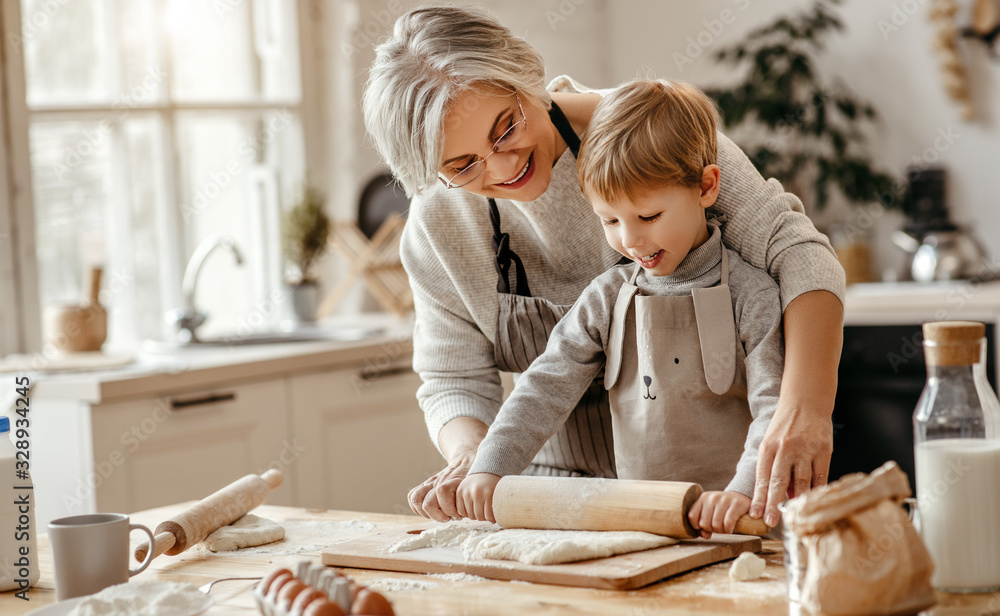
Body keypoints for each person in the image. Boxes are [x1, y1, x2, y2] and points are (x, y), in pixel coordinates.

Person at [362, 6, 844, 529]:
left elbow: (799, 256)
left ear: (524, 73)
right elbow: (452, 375)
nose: (502, 166)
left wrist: (804, 409)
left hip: (714, 499)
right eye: (462, 164)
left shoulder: (646, 131)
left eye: (505, 128)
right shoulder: (437, 221)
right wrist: (473, 458)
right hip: (553, 503)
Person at [455, 79, 783, 537]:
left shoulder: (753, 295)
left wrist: (741, 493)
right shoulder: (606, 298)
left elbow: (775, 410)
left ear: (706, 187)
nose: (631, 240)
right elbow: (544, 385)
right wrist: (489, 466)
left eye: (648, 216)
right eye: (610, 220)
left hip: (741, 524)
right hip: (643, 529)